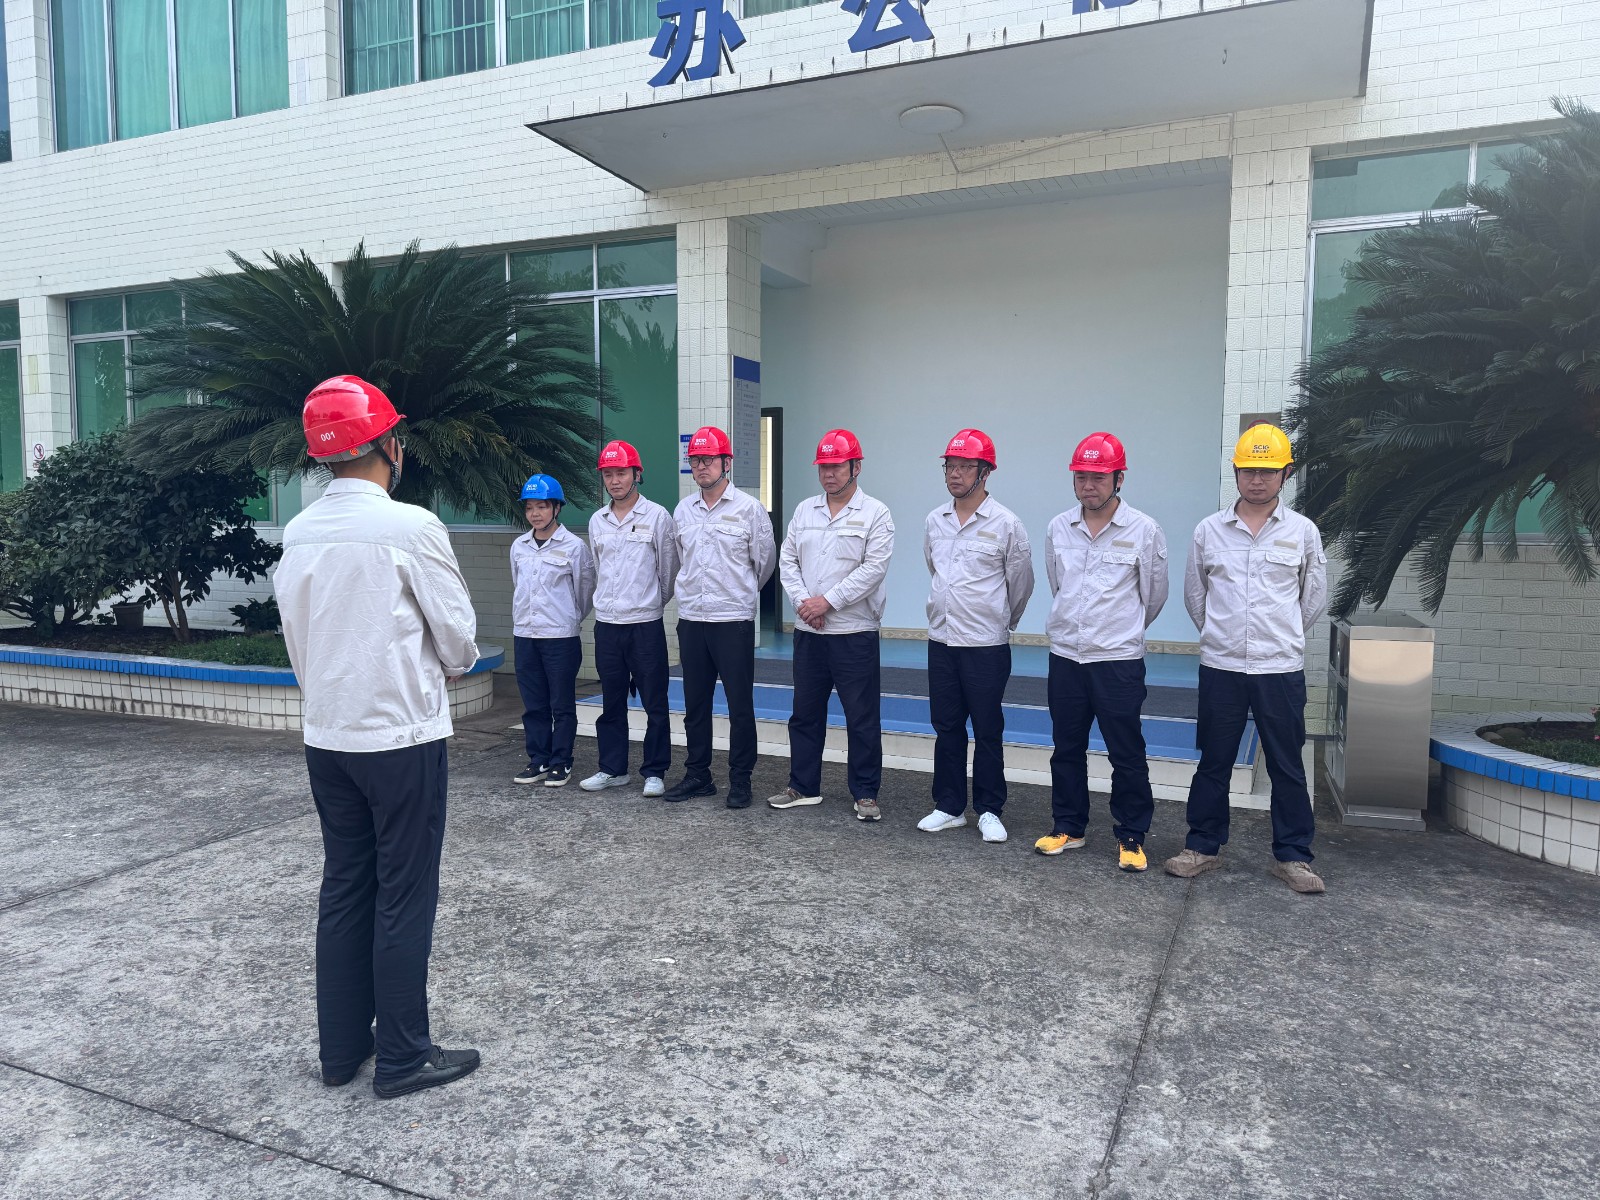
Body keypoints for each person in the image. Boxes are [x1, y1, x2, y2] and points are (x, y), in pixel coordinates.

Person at [274, 374, 481, 1100]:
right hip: (400, 738)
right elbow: (459, 641)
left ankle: (341, 1051)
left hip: (328, 738)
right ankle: (402, 1056)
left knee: (345, 885)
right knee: (404, 894)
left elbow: (296, 639)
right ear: (389, 444)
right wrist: (446, 664)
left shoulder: (298, 534)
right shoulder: (410, 527)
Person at [1165, 423, 1329, 894]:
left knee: (1286, 764)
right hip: (1222, 668)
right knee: (1214, 761)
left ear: (1286, 474)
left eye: (1268, 471)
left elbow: (1313, 598)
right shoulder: (1209, 530)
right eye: (1249, 470)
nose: (1257, 480)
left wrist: (1279, 636)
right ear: (1236, 471)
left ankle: (1293, 857)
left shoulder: (1302, 532)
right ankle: (1202, 847)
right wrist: (1223, 636)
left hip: (1279, 669)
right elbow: (1196, 596)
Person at [1034, 433, 1169, 872]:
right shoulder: (1059, 527)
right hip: (1067, 657)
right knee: (1066, 747)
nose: (1088, 485)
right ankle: (1068, 827)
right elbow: (1058, 584)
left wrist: (1120, 630)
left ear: (1119, 479)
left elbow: (1154, 596)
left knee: (1125, 751)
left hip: (1117, 661)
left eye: (1098, 477)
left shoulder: (1144, 530)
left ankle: (1131, 835)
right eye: (1081, 477)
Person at [769, 429, 896, 822]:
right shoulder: (805, 511)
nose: (829, 473)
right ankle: (803, 786)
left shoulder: (876, 513)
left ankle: (865, 793)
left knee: (861, 717)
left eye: (837, 466)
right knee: (804, 713)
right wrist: (804, 604)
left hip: (854, 632)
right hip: (810, 632)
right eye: (823, 467)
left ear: (856, 467)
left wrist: (828, 601)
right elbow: (787, 560)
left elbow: (873, 569)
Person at [916, 429, 1034, 844]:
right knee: (946, 726)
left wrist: (1000, 621)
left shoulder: (1006, 524)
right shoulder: (935, 520)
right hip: (942, 640)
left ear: (985, 472)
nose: (955, 473)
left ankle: (988, 809)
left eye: (965, 466)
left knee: (987, 729)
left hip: (985, 644)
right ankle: (949, 807)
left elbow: (1020, 584)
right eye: (950, 466)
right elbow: (935, 570)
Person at [665, 425, 776, 809]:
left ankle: (740, 780)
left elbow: (764, 564)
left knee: (739, 706)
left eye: (709, 459)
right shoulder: (683, 510)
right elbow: (678, 561)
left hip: (732, 621)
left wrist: (737, 594)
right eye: (695, 460)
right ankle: (698, 776)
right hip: (693, 620)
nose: (701, 466)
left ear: (726, 462)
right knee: (695, 705)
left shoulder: (749, 509)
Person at [580, 440, 678, 798]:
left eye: (621, 473)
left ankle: (654, 771)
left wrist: (648, 603)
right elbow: (598, 568)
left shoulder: (657, 516)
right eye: (608, 474)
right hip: (608, 625)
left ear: (637, 474)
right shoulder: (597, 520)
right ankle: (612, 769)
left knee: (655, 701)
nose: (615, 481)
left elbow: (668, 572)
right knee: (611, 701)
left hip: (645, 625)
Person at [510, 473, 596, 790]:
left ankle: (561, 762)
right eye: (530, 507)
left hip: (560, 638)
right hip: (525, 635)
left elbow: (584, 593)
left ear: (556, 508)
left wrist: (567, 618)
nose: (535, 513)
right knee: (534, 704)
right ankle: (539, 759)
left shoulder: (574, 547)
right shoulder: (519, 546)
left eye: (542, 506)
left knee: (561, 704)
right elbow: (519, 585)